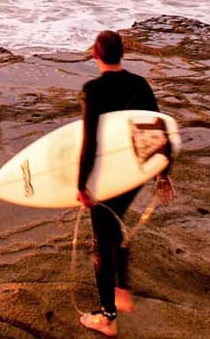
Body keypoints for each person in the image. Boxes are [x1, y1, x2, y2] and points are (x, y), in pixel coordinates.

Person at [76, 30, 175, 336]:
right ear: (123, 53)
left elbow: (90, 142)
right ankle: (122, 288)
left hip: (106, 175)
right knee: (114, 226)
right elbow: (157, 130)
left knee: (101, 244)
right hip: (133, 174)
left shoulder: (93, 90)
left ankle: (107, 317)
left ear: (95, 55)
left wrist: (82, 184)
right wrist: (162, 173)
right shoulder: (139, 84)